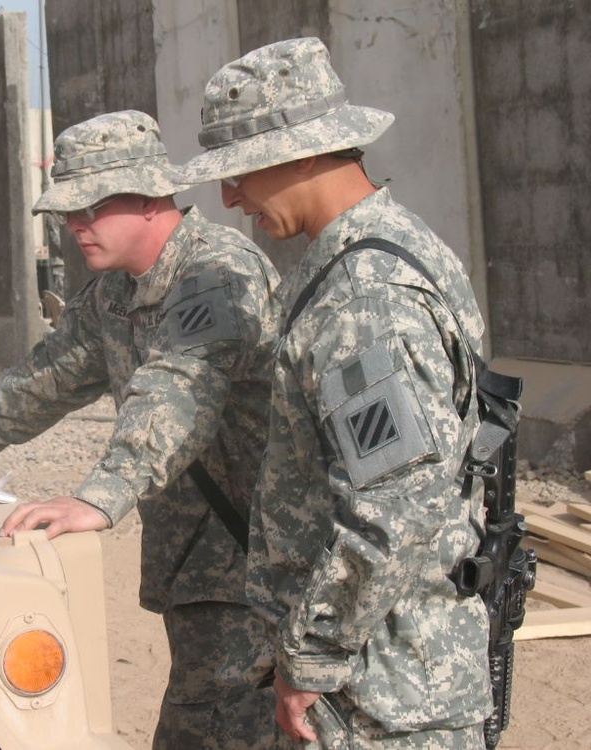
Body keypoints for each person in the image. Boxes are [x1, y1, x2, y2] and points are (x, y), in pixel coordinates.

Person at [0, 110, 283, 749]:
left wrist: (96, 496)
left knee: (214, 728)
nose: (74, 224)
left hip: (260, 556)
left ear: (150, 197)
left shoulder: (217, 273)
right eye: (68, 210)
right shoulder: (114, 291)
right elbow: (52, 373)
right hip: (204, 557)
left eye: (91, 207)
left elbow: (175, 394)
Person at [182, 37, 492, 747]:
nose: (229, 198)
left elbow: (395, 507)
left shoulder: (364, 296)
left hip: (383, 693)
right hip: (380, 673)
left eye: (238, 172)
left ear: (302, 152)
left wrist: (315, 657)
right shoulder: (363, 256)